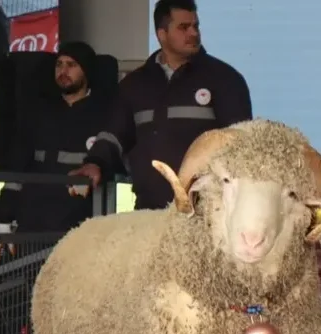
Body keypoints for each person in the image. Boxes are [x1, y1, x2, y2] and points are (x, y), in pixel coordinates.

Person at [71, 0, 252, 210]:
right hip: (148, 210)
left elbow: (240, 146)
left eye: (196, 26)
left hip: (207, 212)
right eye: (184, 27)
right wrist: (94, 162)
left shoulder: (226, 79)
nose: (194, 33)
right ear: (161, 34)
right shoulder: (134, 85)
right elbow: (114, 135)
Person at [0, 41, 111, 233]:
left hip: (80, 226)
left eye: (71, 65)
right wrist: (4, 216)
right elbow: (18, 165)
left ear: (86, 70)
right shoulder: (39, 111)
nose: (63, 71)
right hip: (32, 222)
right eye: (59, 64)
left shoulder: (105, 113)